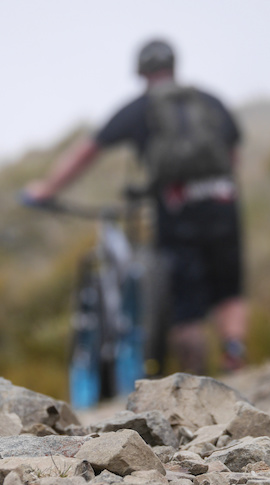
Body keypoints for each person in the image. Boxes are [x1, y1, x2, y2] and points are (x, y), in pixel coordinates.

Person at [24, 39, 247, 375]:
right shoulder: (210, 101)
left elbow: (87, 151)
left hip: (176, 208)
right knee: (228, 288)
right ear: (174, 65)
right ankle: (233, 353)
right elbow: (233, 155)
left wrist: (47, 188)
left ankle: (196, 381)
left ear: (141, 72)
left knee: (185, 303)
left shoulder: (140, 108)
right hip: (222, 202)